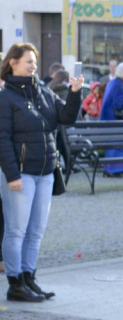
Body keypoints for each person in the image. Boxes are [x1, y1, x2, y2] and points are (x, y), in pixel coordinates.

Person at [0, 43, 84, 301]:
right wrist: (12, 175)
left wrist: (75, 93)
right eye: (28, 61)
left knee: (36, 230)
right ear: (13, 62)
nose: (33, 66)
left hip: (45, 172)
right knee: (16, 230)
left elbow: (66, 117)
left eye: (35, 62)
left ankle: (29, 278)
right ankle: (15, 283)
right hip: (21, 175)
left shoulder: (43, 92)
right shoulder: (5, 97)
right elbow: (2, 138)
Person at [98, 62, 123, 176]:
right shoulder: (119, 85)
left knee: (113, 147)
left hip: (108, 121)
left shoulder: (112, 83)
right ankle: (117, 170)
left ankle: (112, 169)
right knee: (118, 146)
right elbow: (119, 104)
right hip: (116, 122)